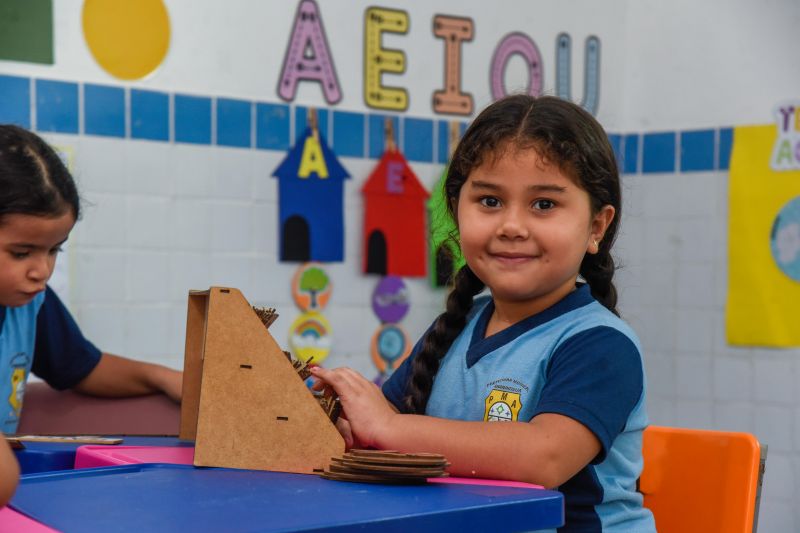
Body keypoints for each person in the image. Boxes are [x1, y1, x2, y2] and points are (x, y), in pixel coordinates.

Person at [312, 95, 656, 531]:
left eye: (544, 204)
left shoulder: (601, 345)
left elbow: (542, 457)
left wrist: (386, 429)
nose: (511, 225)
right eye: (490, 201)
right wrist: (327, 416)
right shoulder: (456, 327)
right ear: (457, 212)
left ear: (596, 227)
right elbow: (377, 427)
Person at [0, 124, 182, 436]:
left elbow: (82, 367)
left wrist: (161, 377)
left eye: (54, 249)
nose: (41, 270)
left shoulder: (31, 304)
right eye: (21, 253)